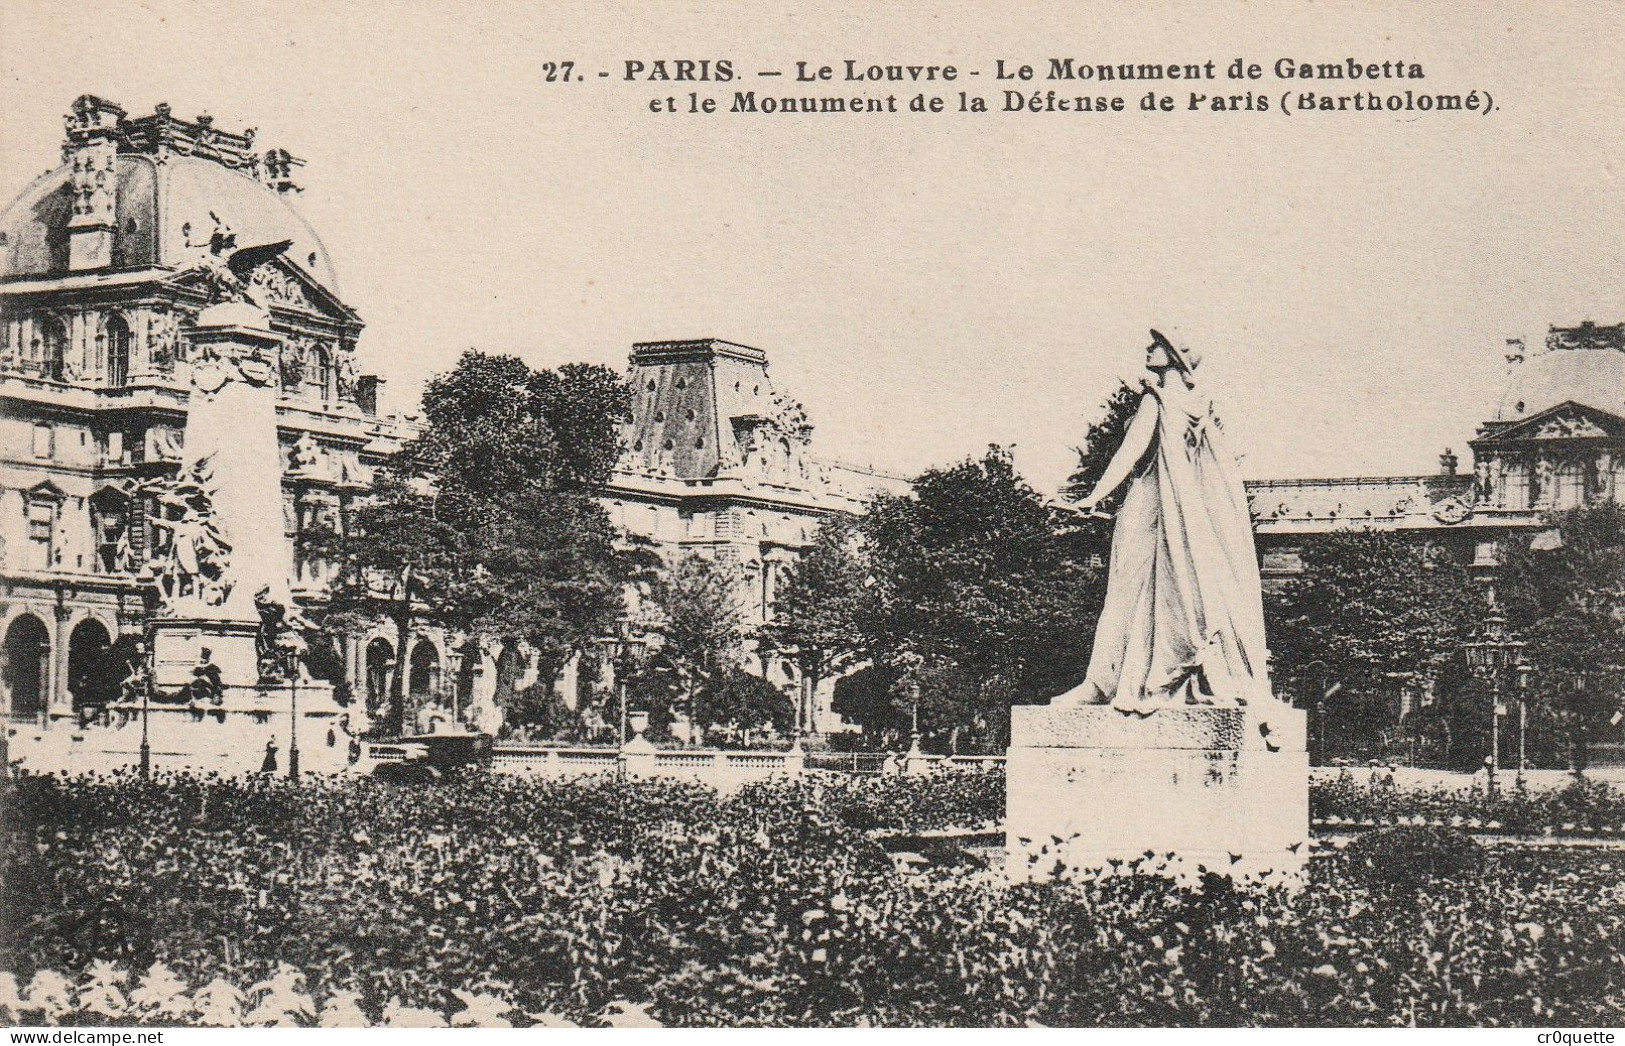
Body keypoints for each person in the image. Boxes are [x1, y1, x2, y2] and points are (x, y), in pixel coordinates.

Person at [1056, 330, 1271, 713]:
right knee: (1166, 595)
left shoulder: (1156, 401)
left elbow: (1128, 454)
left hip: (1148, 504)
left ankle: (1102, 683)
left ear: (1171, 356)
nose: (1147, 349)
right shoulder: (1198, 406)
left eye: (1155, 346)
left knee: (1125, 594)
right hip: (1186, 514)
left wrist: (1092, 497)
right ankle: (1133, 677)